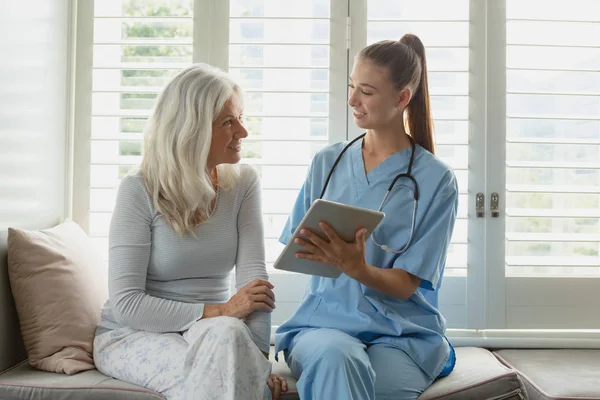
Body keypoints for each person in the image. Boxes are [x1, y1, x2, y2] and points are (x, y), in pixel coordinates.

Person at [274, 34, 459, 400]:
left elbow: (407, 284)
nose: (352, 100)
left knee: (363, 386)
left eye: (367, 91)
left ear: (402, 97)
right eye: (352, 87)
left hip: (402, 335)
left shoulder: (436, 180)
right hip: (325, 325)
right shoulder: (327, 162)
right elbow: (297, 247)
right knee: (336, 357)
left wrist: (357, 267)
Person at [93, 63, 287, 400]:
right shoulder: (138, 189)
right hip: (135, 333)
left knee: (227, 341)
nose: (243, 132)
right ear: (191, 129)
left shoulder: (243, 183)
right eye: (228, 121)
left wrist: (257, 360)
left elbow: (253, 286)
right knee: (220, 368)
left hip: (215, 333)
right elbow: (127, 304)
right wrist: (223, 311)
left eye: (240, 117)